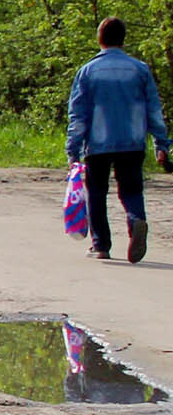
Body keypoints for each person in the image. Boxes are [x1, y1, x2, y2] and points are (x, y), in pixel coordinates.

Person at [65, 16, 172, 262]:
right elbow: (154, 110)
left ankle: (101, 246)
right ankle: (136, 221)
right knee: (132, 190)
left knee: (97, 192)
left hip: (98, 144)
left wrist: (73, 149)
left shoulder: (88, 71)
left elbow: (78, 114)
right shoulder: (140, 69)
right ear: (124, 39)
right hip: (132, 141)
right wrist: (161, 144)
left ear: (99, 38)